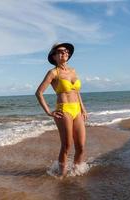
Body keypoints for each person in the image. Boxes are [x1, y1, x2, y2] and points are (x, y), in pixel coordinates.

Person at [35, 42, 88, 177]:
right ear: (54, 57)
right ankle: (62, 175)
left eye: (65, 51)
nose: (64, 52)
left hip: (77, 110)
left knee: (81, 146)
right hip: (64, 110)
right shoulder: (53, 73)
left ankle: (76, 171)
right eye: (59, 51)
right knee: (67, 146)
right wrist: (48, 112)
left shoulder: (73, 71)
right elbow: (39, 93)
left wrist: (83, 108)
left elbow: (77, 92)